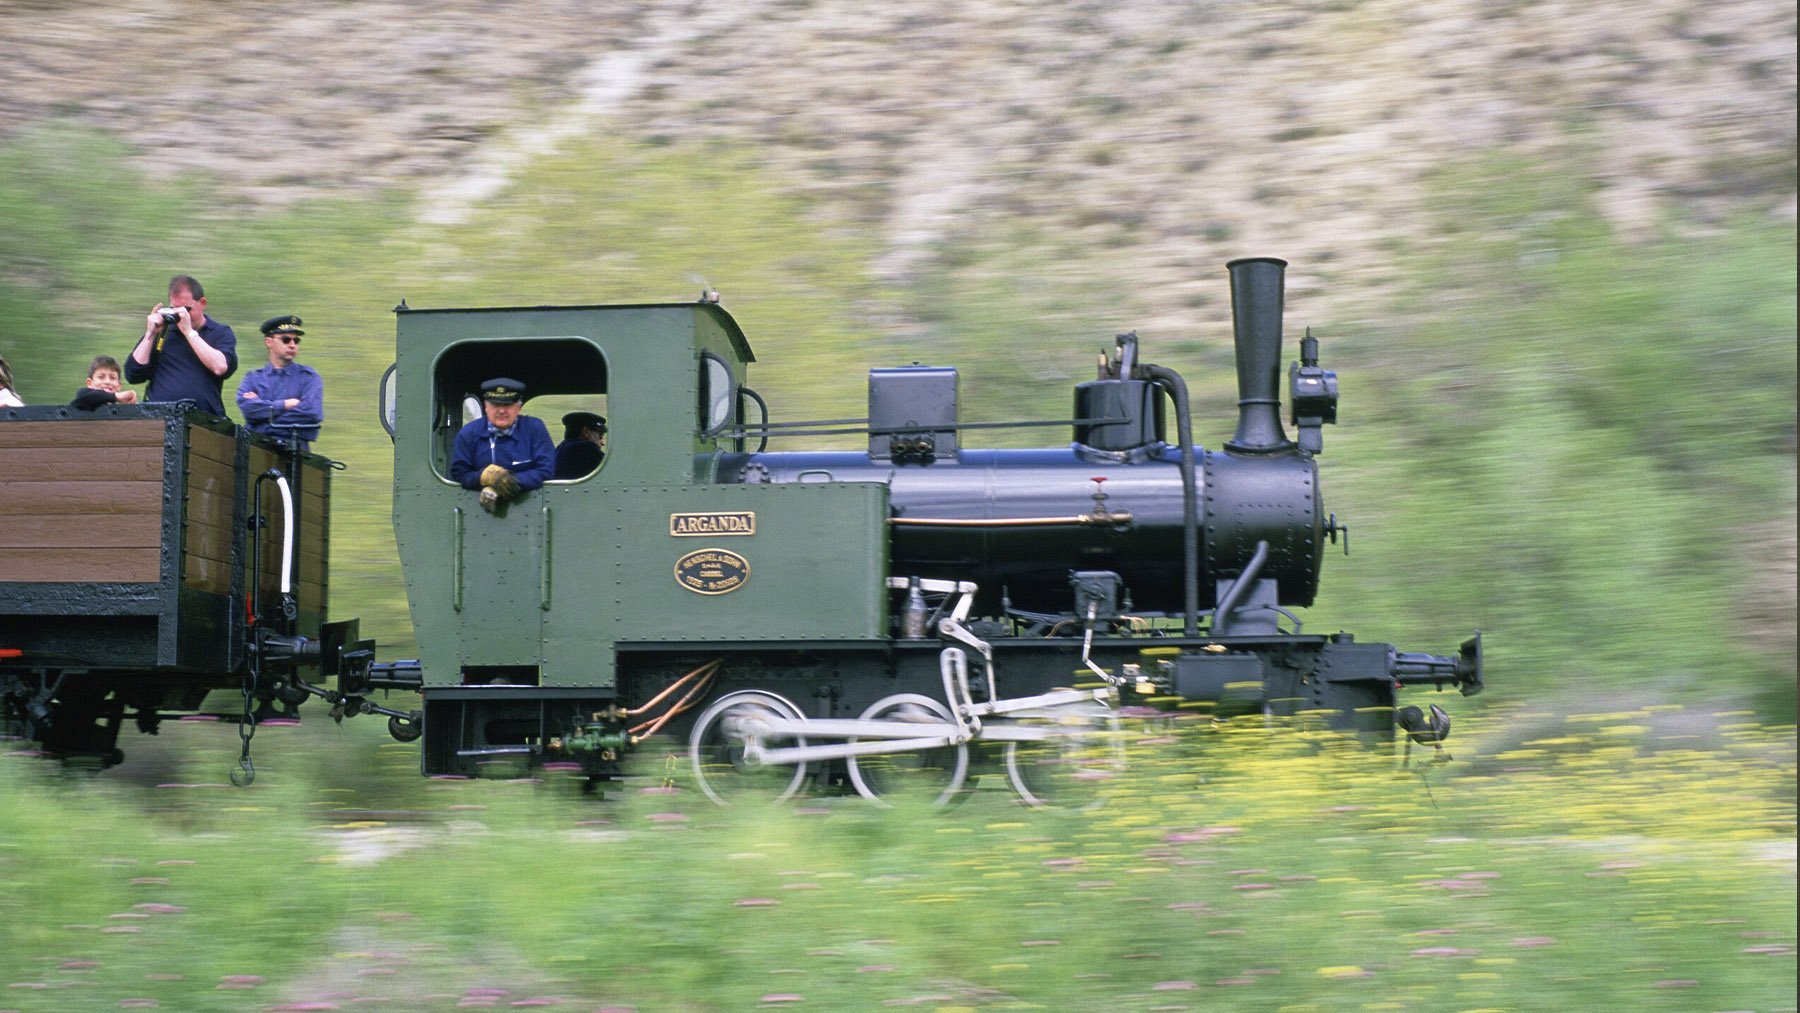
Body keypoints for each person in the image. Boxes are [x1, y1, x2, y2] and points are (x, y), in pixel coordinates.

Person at [124, 274, 237, 416]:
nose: (180, 315)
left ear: (202, 303)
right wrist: (150, 334)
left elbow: (220, 367)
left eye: (186, 309)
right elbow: (133, 374)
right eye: (174, 309)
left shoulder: (219, 332)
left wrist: (189, 332)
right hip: (159, 419)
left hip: (203, 421)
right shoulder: (163, 332)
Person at [450, 377, 554, 513]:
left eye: (508, 405)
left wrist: (503, 484)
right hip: (480, 514)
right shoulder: (468, 434)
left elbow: (546, 471)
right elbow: (460, 474)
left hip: (529, 509)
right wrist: (483, 478)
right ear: (486, 406)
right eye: (495, 405)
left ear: (518, 407)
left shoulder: (534, 429)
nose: (501, 411)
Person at [236, 315, 323, 451]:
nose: (292, 345)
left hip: (295, 452)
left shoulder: (309, 378)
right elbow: (249, 410)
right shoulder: (253, 379)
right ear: (269, 342)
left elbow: (311, 413)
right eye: (286, 339)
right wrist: (284, 405)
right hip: (257, 450)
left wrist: (262, 423)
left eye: (297, 340)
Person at [70, 354, 140, 409]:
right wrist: (116, 397)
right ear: (89, 383)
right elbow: (82, 395)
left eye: (112, 378)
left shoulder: (123, 411)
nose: (107, 381)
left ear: (119, 385)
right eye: (101, 377)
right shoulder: (83, 401)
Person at [553, 411, 606, 480]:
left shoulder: (561, 448)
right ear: (586, 432)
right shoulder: (586, 448)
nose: (602, 443)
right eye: (600, 436)